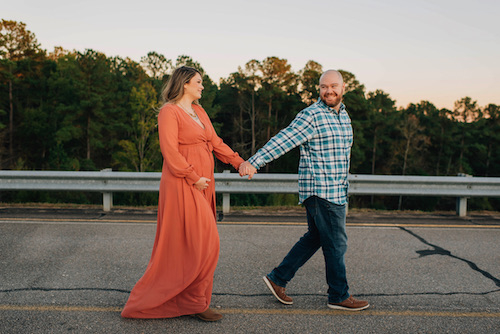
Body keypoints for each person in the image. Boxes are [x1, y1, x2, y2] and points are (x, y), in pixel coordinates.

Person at [121, 66, 244, 321]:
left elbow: (215, 142)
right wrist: (192, 177)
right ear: (185, 83)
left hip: (203, 183)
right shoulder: (169, 112)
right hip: (183, 182)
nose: (202, 86)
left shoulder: (199, 111)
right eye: (198, 82)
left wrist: (237, 162)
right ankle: (161, 300)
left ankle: (195, 301)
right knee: (206, 243)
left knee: (196, 245)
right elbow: (170, 151)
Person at [239, 70, 369, 311]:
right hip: (321, 190)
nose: (328, 91)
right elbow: (284, 139)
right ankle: (339, 295)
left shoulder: (344, 116)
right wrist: (254, 161)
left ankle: (278, 278)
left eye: (333, 86)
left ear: (343, 88)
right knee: (336, 243)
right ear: (318, 89)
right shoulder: (312, 115)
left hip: (336, 190)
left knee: (316, 237)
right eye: (323, 87)